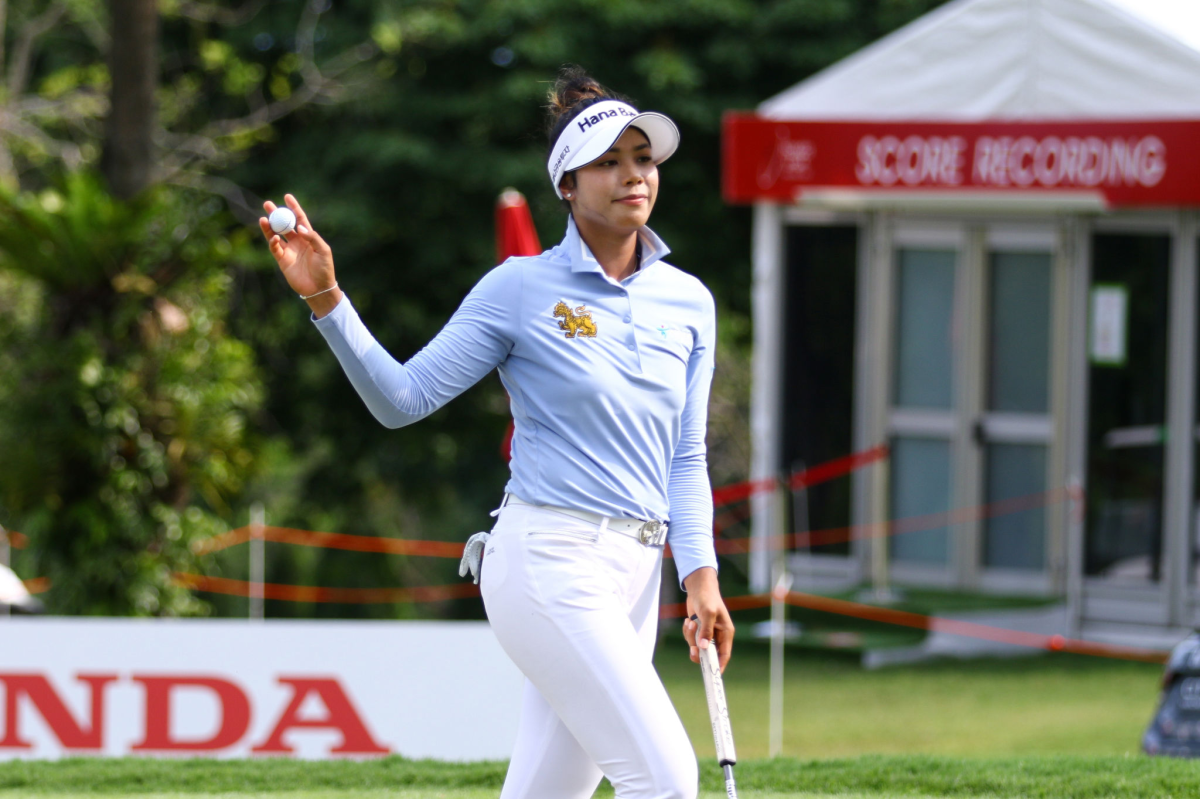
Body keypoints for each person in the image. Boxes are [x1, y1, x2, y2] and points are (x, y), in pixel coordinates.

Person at [259, 66, 734, 799]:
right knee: (668, 779)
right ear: (567, 188)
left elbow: (686, 453)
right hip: (548, 559)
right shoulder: (519, 289)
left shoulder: (689, 301)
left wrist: (700, 574)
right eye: (607, 161)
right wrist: (326, 297)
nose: (633, 175)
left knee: (549, 790)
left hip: (639, 573)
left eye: (642, 158)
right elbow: (403, 398)